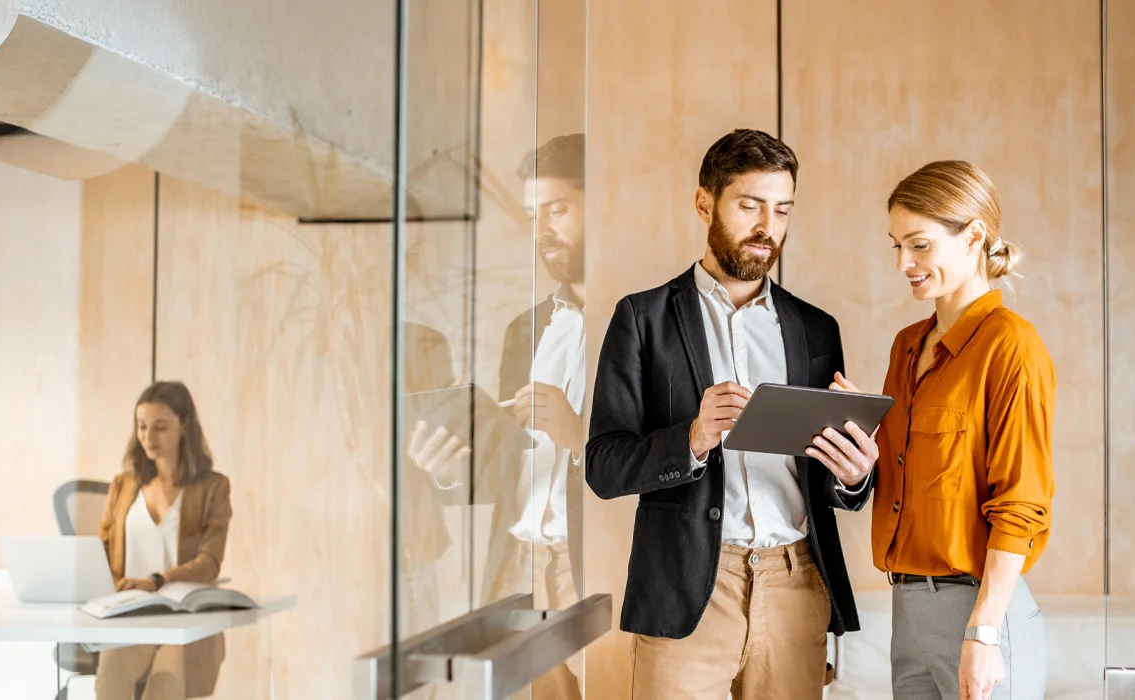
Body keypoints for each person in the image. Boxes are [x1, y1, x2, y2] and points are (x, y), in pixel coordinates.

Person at [586, 128, 877, 699]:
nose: (768, 226)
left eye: (783, 209)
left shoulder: (817, 330)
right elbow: (603, 466)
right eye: (750, 205)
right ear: (704, 203)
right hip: (688, 583)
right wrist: (694, 437)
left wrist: (854, 476)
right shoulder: (643, 319)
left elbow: (828, 479)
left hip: (796, 583)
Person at [846, 160, 1055, 700]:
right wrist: (858, 457)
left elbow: (1022, 503)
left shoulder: (1011, 347)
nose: (903, 264)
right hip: (906, 608)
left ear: (974, 238)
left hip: (979, 614)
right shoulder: (906, 346)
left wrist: (984, 631)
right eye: (896, 245)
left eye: (919, 245)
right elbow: (901, 483)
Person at [409, 132, 587, 700]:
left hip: (600, 565)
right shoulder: (524, 330)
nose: (542, 230)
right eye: (534, 214)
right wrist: (446, 465)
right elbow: (504, 464)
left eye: (557, 209)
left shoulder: (643, 320)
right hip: (522, 565)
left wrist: (577, 431)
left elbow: (671, 455)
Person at [95, 381, 232, 700]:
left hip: (183, 616)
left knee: (165, 684)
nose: (147, 438)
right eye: (141, 427)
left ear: (184, 427)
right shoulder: (123, 485)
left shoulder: (213, 487)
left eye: (159, 427)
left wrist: (156, 581)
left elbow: (209, 562)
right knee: (110, 677)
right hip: (129, 614)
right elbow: (101, 550)